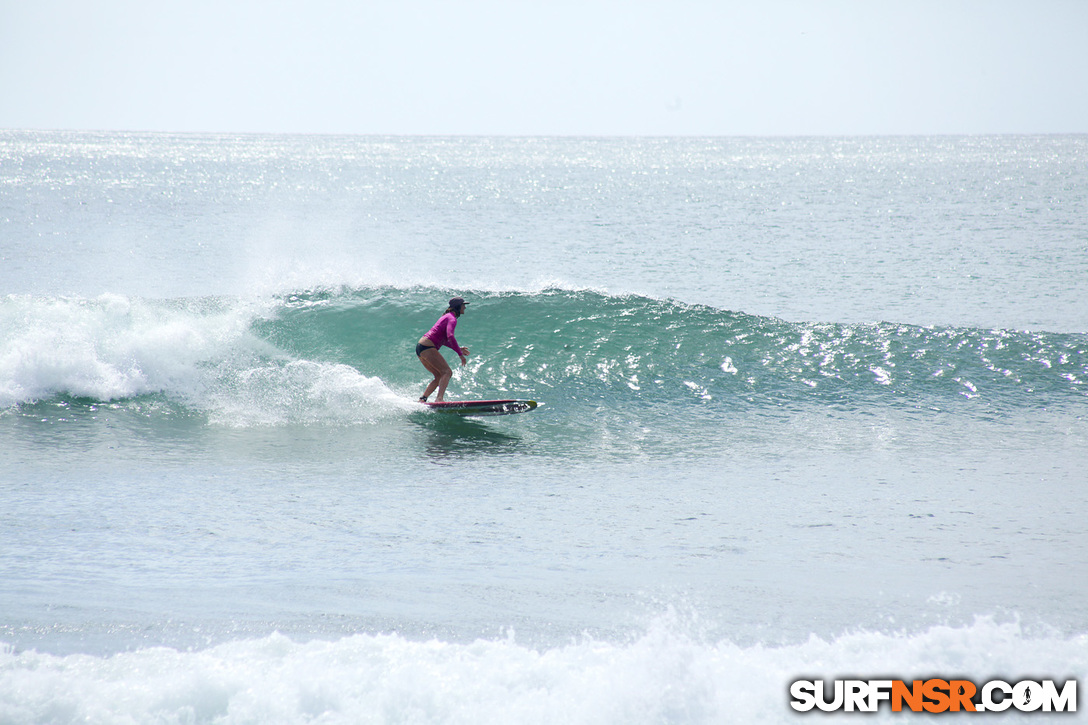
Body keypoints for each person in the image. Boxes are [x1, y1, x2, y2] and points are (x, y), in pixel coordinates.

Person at [416, 297, 471, 403]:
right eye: (463, 305)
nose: (465, 307)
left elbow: (444, 340)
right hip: (427, 347)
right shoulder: (452, 318)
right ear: (458, 307)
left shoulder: (446, 316)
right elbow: (450, 336)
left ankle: (423, 399)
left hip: (421, 347)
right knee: (447, 372)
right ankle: (439, 399)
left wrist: (458, 349)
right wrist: (460, 355)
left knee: (439, 375)